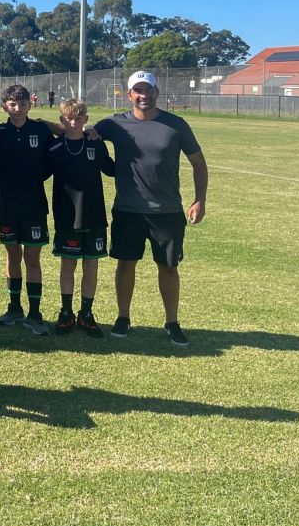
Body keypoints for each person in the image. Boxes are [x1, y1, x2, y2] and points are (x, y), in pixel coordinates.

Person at [94, 71, 208, 346]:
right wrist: (44, 124)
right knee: (125, 264)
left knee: (168, 267)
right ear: (129, 94)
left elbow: (199, 163)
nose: (144, 95)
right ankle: (123, 317)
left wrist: (200, 199)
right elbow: (79, 130)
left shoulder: (176, 125)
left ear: (157, 93)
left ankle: (172, 322)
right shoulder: (114, 124)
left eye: (149, 90)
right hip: (128, 210)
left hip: (167, 212)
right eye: (138, 90)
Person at [0, 85, 55, 335]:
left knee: (32, 259)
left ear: (30, 105)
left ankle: (35, 313)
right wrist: (2, 166)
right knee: (13, 256)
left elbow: (61, 139)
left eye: (22, 103)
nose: (18, 107)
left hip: (35, 204)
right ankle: (14, 307)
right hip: (6, 205)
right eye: (12, 104)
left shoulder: (40, 130)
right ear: (4, 106)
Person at [48, 98, 114, 336]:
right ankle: (66, 313)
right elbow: (36, 172)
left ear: (86, 120)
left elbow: (113, 169)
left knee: (91, 265)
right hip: (66, 216)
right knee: (68, 265)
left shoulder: (96, 145)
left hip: (94, 215)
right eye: (69, 118)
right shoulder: (54, 148)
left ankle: (86, 313)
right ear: (62, 120)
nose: (74, 123)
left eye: (78, 118)